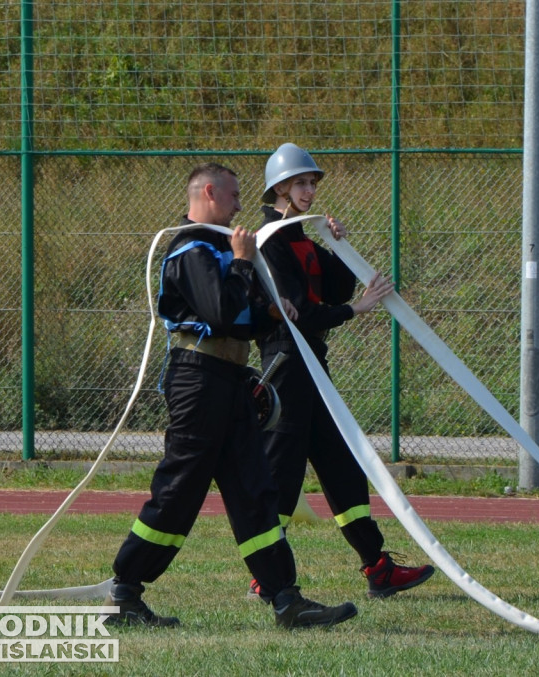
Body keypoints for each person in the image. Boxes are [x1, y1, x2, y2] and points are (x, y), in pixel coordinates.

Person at [105, 162, 357, 630]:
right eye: (235, 195)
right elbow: (219, 311)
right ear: (208, 193)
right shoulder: (189, 249)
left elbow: (242, 314)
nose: (242, 205)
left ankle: (286, 598)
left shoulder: (220, 249)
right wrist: (242, 262)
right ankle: (125, 590)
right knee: (180, 490)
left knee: (254, 488)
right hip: (198, 380)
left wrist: (271, 312)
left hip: (231, 379)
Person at [247, 143, 435, 601]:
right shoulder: (270, 240)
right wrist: (357, 309)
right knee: (283, 475)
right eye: (301, 183)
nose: (310, 190)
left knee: (342, 467)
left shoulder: (302, 236)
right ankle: (264, 577)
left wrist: (335, 244)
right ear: (280, 188)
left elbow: (332, 287)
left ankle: (378, 568)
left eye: (312, 183)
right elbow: (300, 315)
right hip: (287, 366)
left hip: (314, 367)